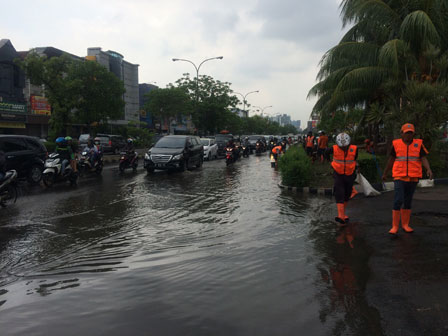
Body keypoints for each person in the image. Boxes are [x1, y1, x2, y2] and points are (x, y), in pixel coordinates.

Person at [382, 123, 433, 234]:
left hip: (413, 177)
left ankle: (405, 225)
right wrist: (385, 173)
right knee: (398, 199)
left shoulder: (418, 144)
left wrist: (428, 169)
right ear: (402, 133)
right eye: (407, 133)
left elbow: (423, 158)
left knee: (408, 201)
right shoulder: (396, 144)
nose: (409, 136)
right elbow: (391, 160)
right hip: (399, 176)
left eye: (411, 133)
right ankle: (395, 226)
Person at [326, 132, 358, 226]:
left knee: (347, 194)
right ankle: (340, 216)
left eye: (345, 146)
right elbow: (326, 152)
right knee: (339, 192)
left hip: (350, 174)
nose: (343, 148)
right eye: (341, 147)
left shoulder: (355, 149)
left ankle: (343, 214)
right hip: (338, 173)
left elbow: (354, 158)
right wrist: (330, 162)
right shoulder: (334, 148)